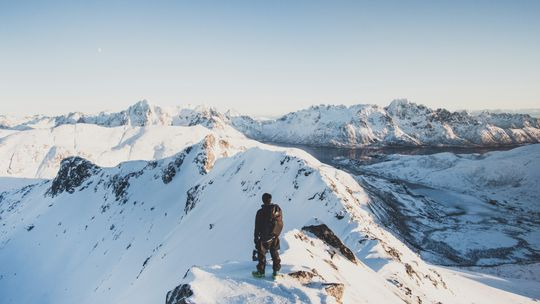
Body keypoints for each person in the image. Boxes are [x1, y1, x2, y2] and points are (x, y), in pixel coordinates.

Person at [252, 193, 283, 278]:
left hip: (264, 238)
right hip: (274, 236)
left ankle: (261, 272)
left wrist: (256, 238)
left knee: (261, 255)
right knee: (274, 253)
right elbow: (280, 221)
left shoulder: (260, 212)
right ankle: (276, 272)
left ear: (263, 200)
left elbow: (257, 226)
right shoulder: (277, 209)